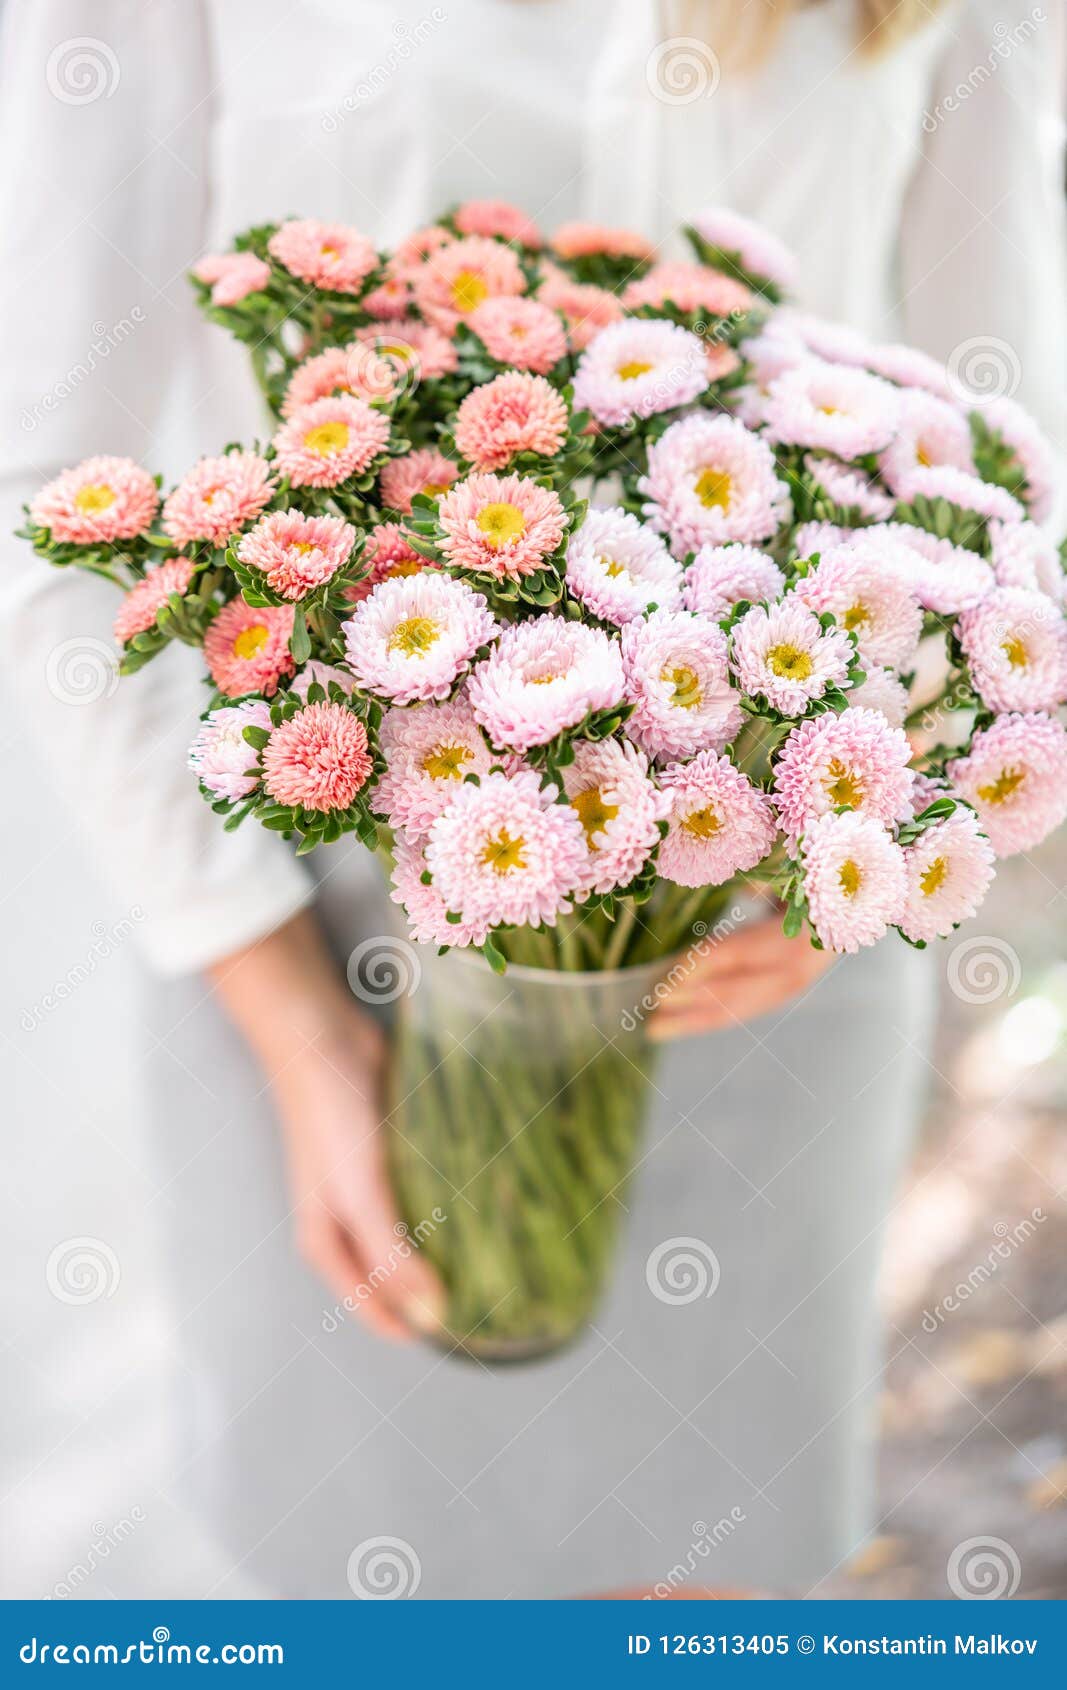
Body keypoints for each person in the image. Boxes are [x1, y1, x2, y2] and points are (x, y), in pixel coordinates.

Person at [1, 0, 1063, 1600]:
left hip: (762, 932)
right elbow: (45, 478)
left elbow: (1012, 459)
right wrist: (292, 1023)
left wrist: (870, 857)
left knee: (709, 1587)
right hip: (323, 926)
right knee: (375, 1585)